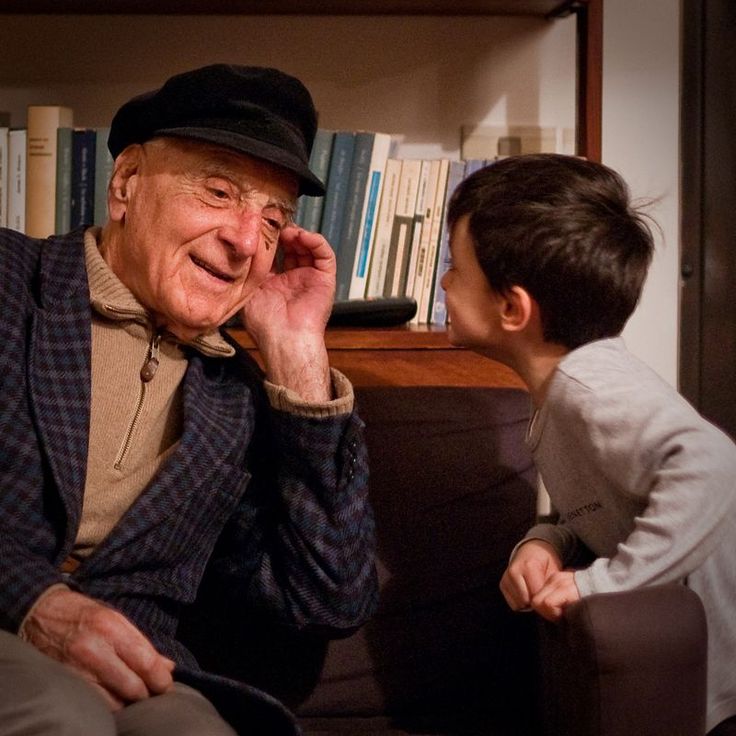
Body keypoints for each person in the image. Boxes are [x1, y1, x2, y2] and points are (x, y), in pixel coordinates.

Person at [0, 64, 377, 735]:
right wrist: (32, 601)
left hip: (144, 673)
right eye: (219, 191)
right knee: (63, 715)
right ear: (126, 184)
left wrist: (298, 360)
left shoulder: (234, 400)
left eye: (272, 221)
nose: (243, 239)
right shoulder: (8, 283)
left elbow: (326, 603)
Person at [441, 153, 736, 734]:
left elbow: (712, 465)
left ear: (512, 308)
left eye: (456, 268)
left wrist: (604, 585)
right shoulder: (573, 384)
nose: (446, 283)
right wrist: (546, 541)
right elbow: (611, 506)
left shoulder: (588, 388)